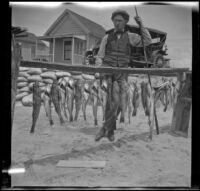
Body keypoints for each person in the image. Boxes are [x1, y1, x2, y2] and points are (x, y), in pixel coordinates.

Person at [95, 9, 152, 142]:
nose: (117, 23)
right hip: (108, 73)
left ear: (125, 22)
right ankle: (108, 130)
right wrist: (99, 72)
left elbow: (147, 41)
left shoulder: (131, 36)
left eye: (119, 21)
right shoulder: (107, 37)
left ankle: (107, 129)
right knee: (111, 103)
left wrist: (141, 24)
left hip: (122, 74)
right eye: (115, 20)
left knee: (119, 104)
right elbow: (100, 56)